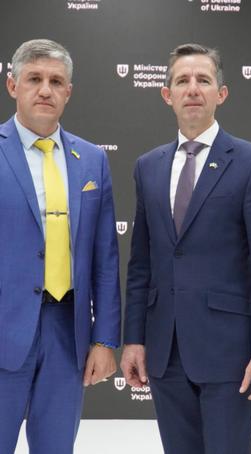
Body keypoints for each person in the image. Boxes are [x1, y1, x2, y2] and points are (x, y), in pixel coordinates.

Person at [120, 43, 251, 454]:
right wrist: (134, 339)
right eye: (182, 81)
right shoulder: (148, 166)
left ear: (221, 93)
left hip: (229, 354)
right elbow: (141, 263)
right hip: (165, 352)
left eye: (203, 80)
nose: (192, 89)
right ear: (167, 94)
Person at [0, 39, 120, 454]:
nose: (45, 90)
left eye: (56, 81)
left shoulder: (91, 160)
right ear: (12, 85)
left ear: (68, 92)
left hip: (66, 337)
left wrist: (104, 340)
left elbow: (105, 258)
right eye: (34, 79)